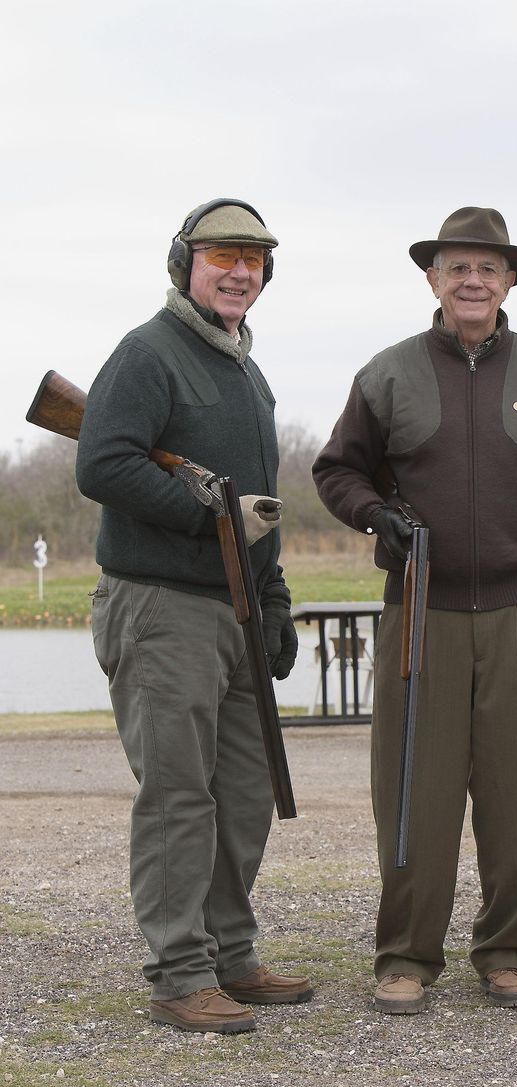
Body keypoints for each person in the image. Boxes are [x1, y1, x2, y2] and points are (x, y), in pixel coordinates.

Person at [313, 206, 517, 1015]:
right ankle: (405, 955)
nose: (473, 281)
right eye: (457, 267)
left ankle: (509, 951)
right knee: (414, 791)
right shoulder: (389, 372)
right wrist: (377, 516)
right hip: (421, 610)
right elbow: (337, 470)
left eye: (488, 268)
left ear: (510, 281)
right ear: (432, 279)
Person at [75, 198, 312, 1034]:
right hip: (162, 605)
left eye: (252, 258)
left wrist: (275, 597)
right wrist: (206, 520)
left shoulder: (245, 368)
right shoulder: (149, 352)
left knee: (244, 792)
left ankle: (229, 953)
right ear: (185, 264)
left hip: (236, 610)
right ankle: (179, 973)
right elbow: (101, 462)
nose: (239, 271)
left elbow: (260, 507)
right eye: (222, 256)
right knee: (179, 796)